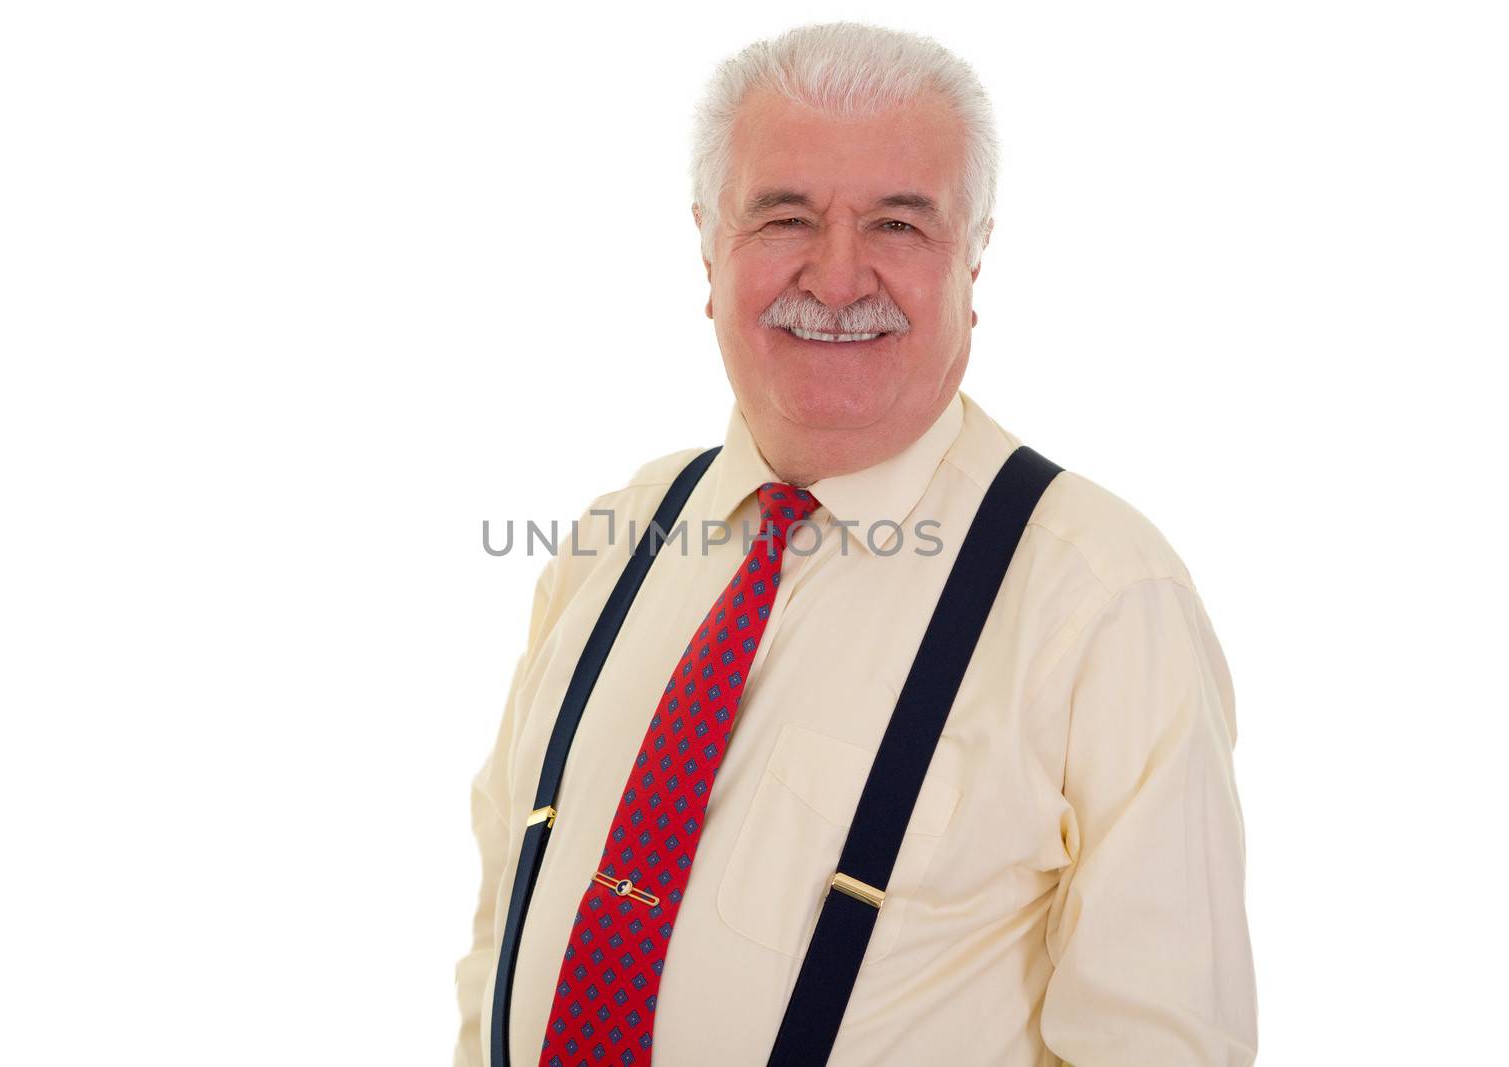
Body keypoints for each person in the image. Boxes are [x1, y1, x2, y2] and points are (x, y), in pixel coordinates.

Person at [454, 20, 1256, 1067]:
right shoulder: (615, 537)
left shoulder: (1103, 598)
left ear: (973, 258)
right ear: (708, 247)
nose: (837, 278)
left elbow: (1161, 1046)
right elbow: (498, 927)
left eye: (897, 225)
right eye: (785, 215)